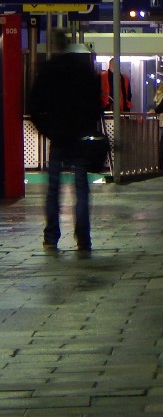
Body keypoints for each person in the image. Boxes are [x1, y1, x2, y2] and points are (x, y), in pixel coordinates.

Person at [28, 30, 103, 252]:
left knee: (53, 189)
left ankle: (51, 235)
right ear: (69, 43)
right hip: (79, 137)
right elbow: (95, 104)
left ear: (53, 45)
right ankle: (83, 237)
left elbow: (34, 105)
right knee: (81, 188)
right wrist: (86, 127)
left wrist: (48, 130)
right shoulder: (83, 69)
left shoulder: (47, 70)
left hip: (58, 139)